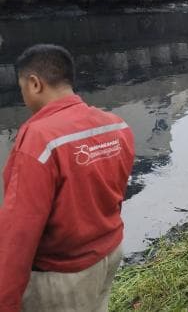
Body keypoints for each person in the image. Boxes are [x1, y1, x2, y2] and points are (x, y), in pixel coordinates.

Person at [0, 44, 135, 311]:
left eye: (22, 89)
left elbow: (19, 232)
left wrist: (5, 301)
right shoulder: (116, 125)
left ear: (35, 83)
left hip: (61, 275)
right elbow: (115, 194)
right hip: (108, 254)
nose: (24, 98)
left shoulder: (39, 138)